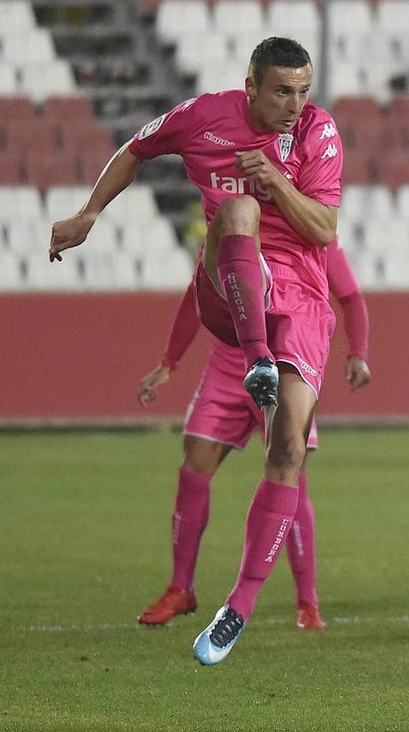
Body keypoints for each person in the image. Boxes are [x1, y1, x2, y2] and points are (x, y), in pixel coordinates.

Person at [49, 37, 344, 666]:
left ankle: (236, 607)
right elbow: (136, 148)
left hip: (301, 298)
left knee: (288, 449)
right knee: (236, 208)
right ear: (251, 86)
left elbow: (323, 229)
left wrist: (279, 185)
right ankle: (258, 357)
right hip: (229, 290)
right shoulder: (204, 116)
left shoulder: (319, 135)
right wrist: (88, 214)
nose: (295, 104)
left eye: (302, 91)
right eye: (281, 91)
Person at [135, 237, 371, 632]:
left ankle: (307, 602)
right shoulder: (230, 232)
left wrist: (357, 353)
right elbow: (196, 300)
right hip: (230, 367)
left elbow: (350, 296)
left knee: (291, 472)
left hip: (288, 364)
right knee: (193, 465)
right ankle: (180, 588)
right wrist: (168, 362)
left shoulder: (313, 236)